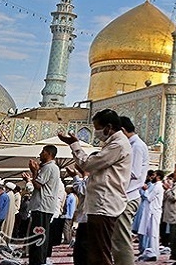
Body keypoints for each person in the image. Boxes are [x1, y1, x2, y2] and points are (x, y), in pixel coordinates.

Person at [59, 108, 133, 265]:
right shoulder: (112, 144)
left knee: (99, 253)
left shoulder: (118, 145)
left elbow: (88, 164)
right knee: (94, 251)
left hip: (104, 205)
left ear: (109, 127)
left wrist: (75, 145)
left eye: (98, 128)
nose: (97, 132)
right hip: (100, 205)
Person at [112, 116, 149, 265]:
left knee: (121, 239)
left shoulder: (136, 146)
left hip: (129, 196)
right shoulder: (132, 145)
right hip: (124, 196)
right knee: (118, 238)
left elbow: (133, 172)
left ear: (122, 130)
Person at [22, 144, 62, 265]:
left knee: (39, 237)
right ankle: (37, 260)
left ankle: (38, 261)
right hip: (42, 206)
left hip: (42, 207)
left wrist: (34, 172)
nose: (40, 154)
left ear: (49, 154)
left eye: (43, 152)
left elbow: (38, 185)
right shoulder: (48, 168)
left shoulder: (49, 168)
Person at [137, 170, 164, 262]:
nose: (153, 177)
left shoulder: (157, 186)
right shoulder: (157, 186)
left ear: (159, 177)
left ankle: (153, 251)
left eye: (155, 175)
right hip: (152, 211)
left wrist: (145, 190)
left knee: (153, 233)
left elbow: (149, 197)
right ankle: (151, 251)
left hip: (154, 212)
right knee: (150, 232)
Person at [67, 166, 88, 265]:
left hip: (89, 218)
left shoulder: (95, 179)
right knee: (80, 252)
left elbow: (82, 189)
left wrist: (76, 176)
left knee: (84, 250)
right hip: (84, 218)